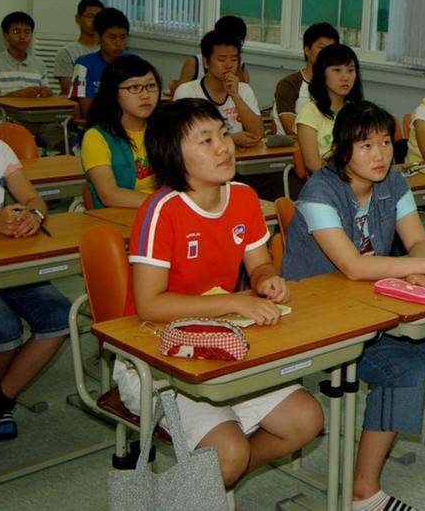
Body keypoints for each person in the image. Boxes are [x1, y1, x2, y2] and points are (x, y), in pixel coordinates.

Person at [281, 101, 425, 511]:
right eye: (366, 145)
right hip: (322, 317)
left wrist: (418, 265)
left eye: (385, 143)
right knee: (403, 370)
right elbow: (353, 266)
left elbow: (417, 239)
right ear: (342, 150)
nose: (380, 154)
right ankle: (364, 493)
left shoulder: (392, 181)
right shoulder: (319, 192)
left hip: (376, 305)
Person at [122, 98, 322, 510]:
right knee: (229, 452)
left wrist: (266, 281)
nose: (223, 146)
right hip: (154, 358)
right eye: (206, 140)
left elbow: (259, 263)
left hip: (221, 344)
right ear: (173, 155)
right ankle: (213, 477)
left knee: (306, 419)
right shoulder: (160, 211)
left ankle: (211, 481)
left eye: (223, 134)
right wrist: (238, 302)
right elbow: (149, 305)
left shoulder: (244, 197)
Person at [0, 70, 69, 440]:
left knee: (59, 314)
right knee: (2, 326)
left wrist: (34, 216)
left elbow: (32, 197)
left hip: (3, 262)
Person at [80, 55, 160, 209]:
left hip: (162, 214)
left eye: (151, 86)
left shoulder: (165, 129)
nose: (145, 95)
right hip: (118, 216)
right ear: (113, 92)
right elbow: (109, 195)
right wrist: (165, 204)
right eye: (134, 87)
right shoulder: (97, 136)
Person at [0, 11, 65, 151]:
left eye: (27, 32)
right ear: (6, 35)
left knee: (64, 138)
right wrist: (15, 95)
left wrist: (47, 94)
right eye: (16, 32)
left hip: (39, 120)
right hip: (7, 119)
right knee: (18, 139)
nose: (22, 37)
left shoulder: (39, 64)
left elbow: (46, 98)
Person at [172, 29, 264, 148]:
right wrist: (230, 139)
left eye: (234, 59)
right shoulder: (187, 92)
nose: (229, 65)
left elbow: (258, 134)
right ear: (206, 62)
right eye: (222, 60)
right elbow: (182, 138)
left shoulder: (244, 90)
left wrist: (235, 95)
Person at [295, 43, 363, 173]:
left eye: (350, 70)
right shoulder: (310, 112)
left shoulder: (359, 112)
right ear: (322, 73)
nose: (345, 77)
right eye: (337, 70)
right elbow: (313, 165)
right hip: (327, 181)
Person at [274, 22, 340, 136]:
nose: (327, 54)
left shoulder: (337, 84)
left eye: (332, 49)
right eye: (322, 48)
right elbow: (290, 128)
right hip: (294, 144)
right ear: (307, 50)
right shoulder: (289, 84)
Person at [70, 6, 131, 118]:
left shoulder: (134, 63)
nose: (118, 43)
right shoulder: (83, 64)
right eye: (112, 38)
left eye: (123, 37)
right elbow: (87, 110)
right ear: (98, 36)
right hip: (97, 125)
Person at [173, 15, 251, 91]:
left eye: (233, 59)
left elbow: (244, 92)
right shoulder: (194, 63)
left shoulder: (242, 67)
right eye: (221, 59)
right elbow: (180, 93)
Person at [53, 0, 104, 96]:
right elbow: (69, 91)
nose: (95, 21)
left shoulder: (109, 51)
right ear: (78, 19)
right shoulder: (67, 52)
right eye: (90, 16)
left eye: (99, 17)